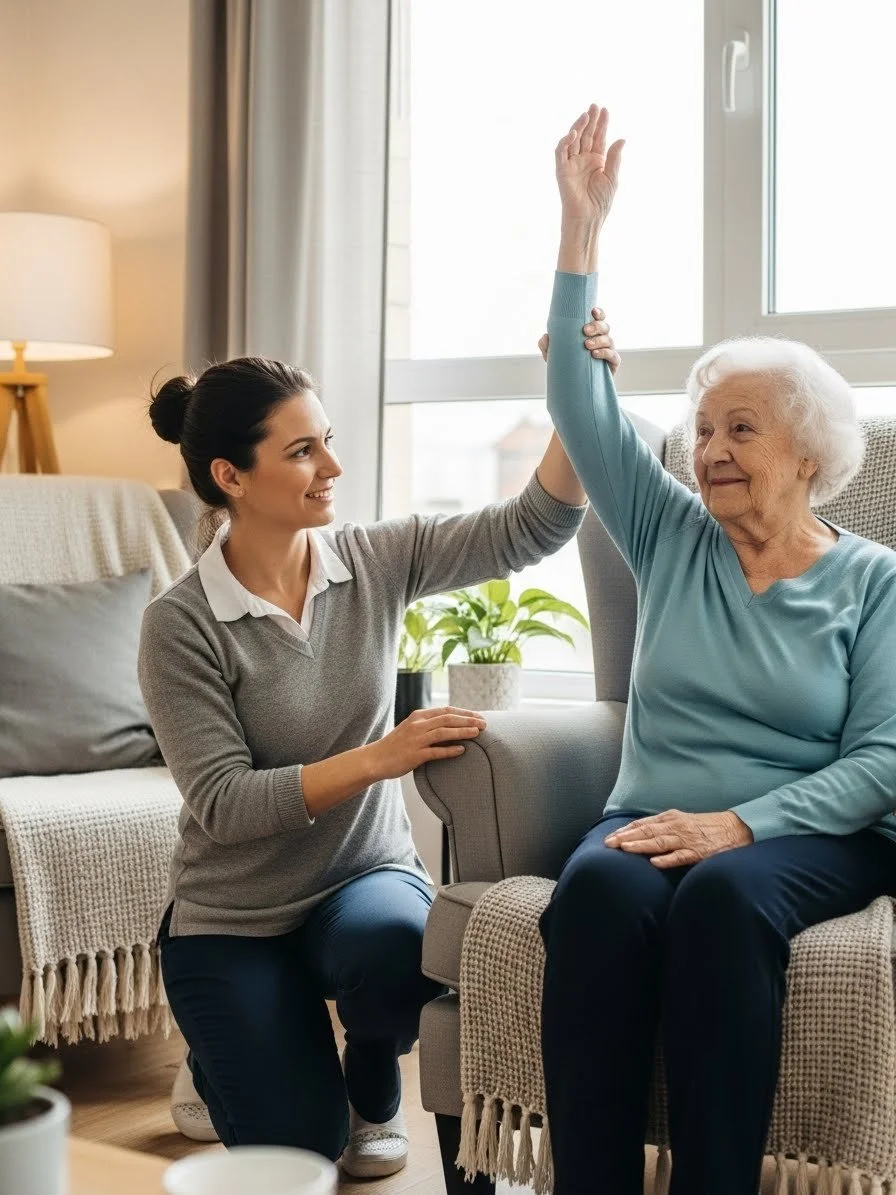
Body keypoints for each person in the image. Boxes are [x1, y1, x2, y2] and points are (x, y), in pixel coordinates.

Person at [137, 325, 618, 1174]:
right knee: (303, 1159)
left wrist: (573, 399)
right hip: (233, 918)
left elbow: (531, 527)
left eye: (328, 440)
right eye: (302, 450)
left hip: (358, 881)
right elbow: (224, 803)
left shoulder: (374, 559)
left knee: (397, 949)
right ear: (230, 476)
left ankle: (371, 1078)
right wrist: (379, 756)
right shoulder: (179, 625)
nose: (333, 466)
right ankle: (224, 1059)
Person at [539, 104, 896, 1195]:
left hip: (810, 833)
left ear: (807, 452)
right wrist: (578, 233)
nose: (708, 451)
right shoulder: (668, 535)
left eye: (740, 428)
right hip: (650, 815)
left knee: (720, 898)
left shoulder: (871, 579)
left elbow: (883, 761)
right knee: (592, 893)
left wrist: (735, 824)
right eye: (700, 430)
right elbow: (574, 400)